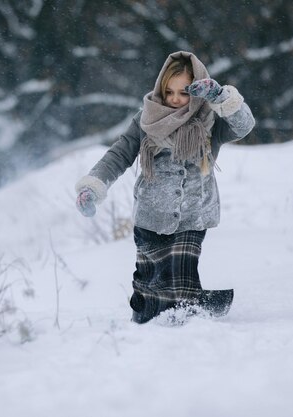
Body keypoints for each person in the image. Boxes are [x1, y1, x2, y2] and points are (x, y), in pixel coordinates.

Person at [74, 51, 255, 324]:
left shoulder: (210, 120)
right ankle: (199, 305)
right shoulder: (146, 120)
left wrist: (219, 96)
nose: (175, 99)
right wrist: (94, 187)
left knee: (181, 281)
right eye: (168, 91)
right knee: (149, 298)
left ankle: (188, 324)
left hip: (194, 214)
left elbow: (244, 125)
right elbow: (118, 155)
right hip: (151, 213)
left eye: (183, 92)